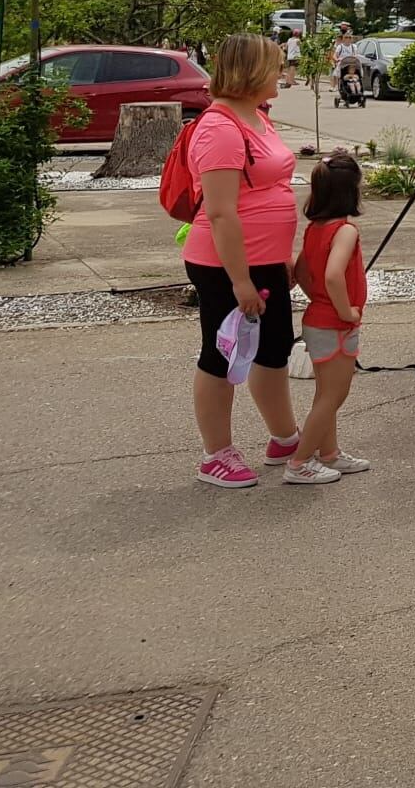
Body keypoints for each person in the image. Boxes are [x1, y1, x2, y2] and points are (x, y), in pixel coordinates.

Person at [185, 34, 303, 489]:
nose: (280, 74)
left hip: (263, 261)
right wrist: (240, 281)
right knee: (222, 355)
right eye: (274, 66)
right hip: (225, 266)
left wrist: (279, 259)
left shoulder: (255, 117)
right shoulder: (219, 128)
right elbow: (219, 211)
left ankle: (285, 437)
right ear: (251, 71)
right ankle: (215, 453)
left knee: (273, 352)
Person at [284, 152, 372, 485]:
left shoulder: (315, 228)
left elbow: (302, 271)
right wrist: (344, 309)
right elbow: (334, 274)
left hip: (316, 318)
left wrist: (318, 298)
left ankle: (329, 452)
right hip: (335, 324)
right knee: (334, 395)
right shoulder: (345, 230)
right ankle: (300, 461)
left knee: (325, 392)